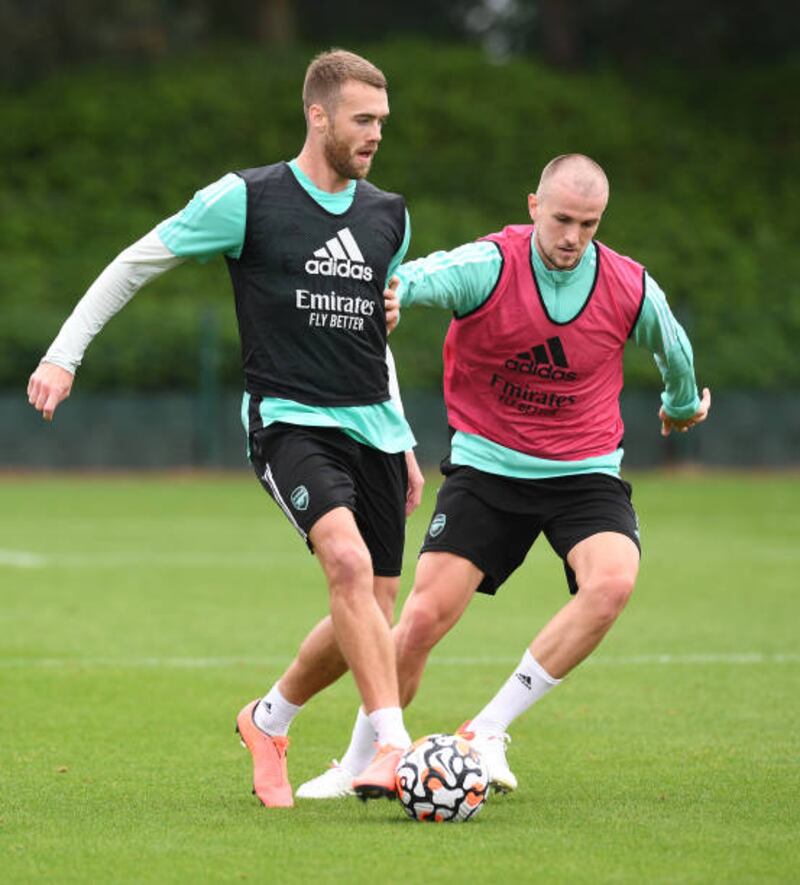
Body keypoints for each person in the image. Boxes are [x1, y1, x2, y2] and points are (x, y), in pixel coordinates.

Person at [26, 49, 427, 807]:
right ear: (318, 115)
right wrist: (62, 355)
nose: (376, 134)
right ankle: (394, 748)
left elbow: (375, 335)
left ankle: (268, 719)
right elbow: (134, 263)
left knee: (372, 611)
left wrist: (403, 437)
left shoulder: (389, 217)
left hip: (373, 424)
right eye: (362, 120)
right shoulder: (246, 199)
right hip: (288, 419)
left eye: (382, 121)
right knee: (344, 561)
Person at [295, 153, 711, 799]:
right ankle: (359, 763)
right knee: (425, 616)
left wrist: (682, 406)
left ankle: (485, 731)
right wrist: (393, 294)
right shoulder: (490, 265)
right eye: (563, 219)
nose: (572, 237)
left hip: (584, 472)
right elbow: (417, 276)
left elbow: (674, 349)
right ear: (534, 207)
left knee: (612, 583)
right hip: (488, 466)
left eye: (589, 223)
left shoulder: (628, 284)